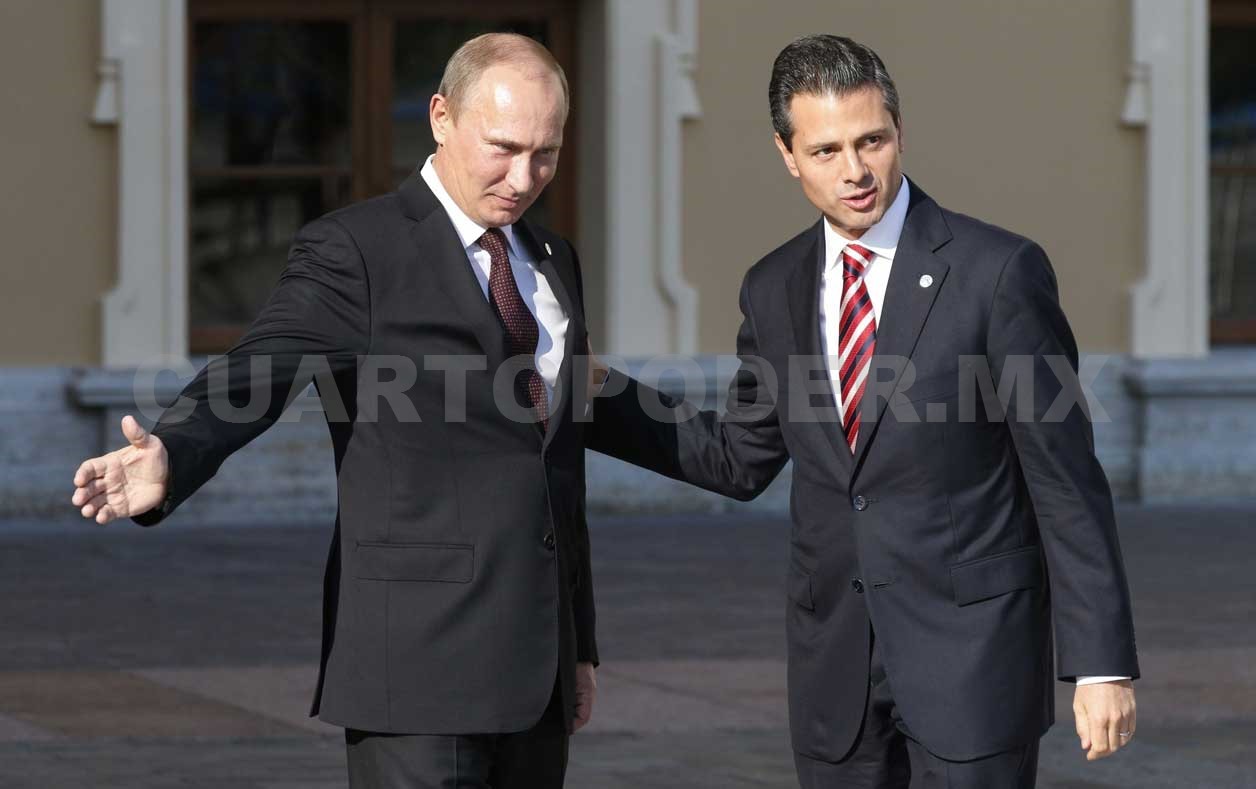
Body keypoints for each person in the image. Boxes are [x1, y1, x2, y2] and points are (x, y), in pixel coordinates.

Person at [588, 34, 1138, 788]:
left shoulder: (998, 272)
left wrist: (1101, 663)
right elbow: (738, 457)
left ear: (899, 131)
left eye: (871, 140)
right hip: (837, 674)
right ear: (787, 154)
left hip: (974, 665)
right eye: (825, 150)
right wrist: (598, 393)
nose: (854, 171)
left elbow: (1064, 478)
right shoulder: (772, 287)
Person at [71, 33, 597, 789]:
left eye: (546, 154)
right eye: (504, 148)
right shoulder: (356, 249)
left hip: (535, 667)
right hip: (416, 667)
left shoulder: (553, 260)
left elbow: (557, 467)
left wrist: (578, 642)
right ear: (441, 117)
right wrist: (172, 451)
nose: (524, 178)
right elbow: (259, 370)